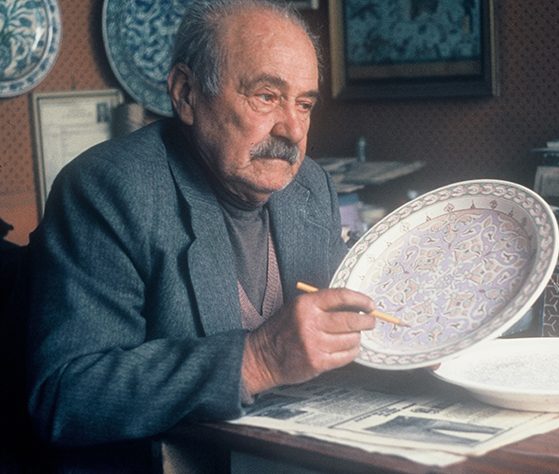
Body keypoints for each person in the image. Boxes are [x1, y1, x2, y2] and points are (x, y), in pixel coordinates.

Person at [26, 0, 376, 470]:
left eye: (305, 104)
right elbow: (65, 395)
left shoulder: (311, 186)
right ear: (187, 94)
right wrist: (258, 359)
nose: (292, 128)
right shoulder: (108, 190)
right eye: (266, 96)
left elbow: (333, 343)